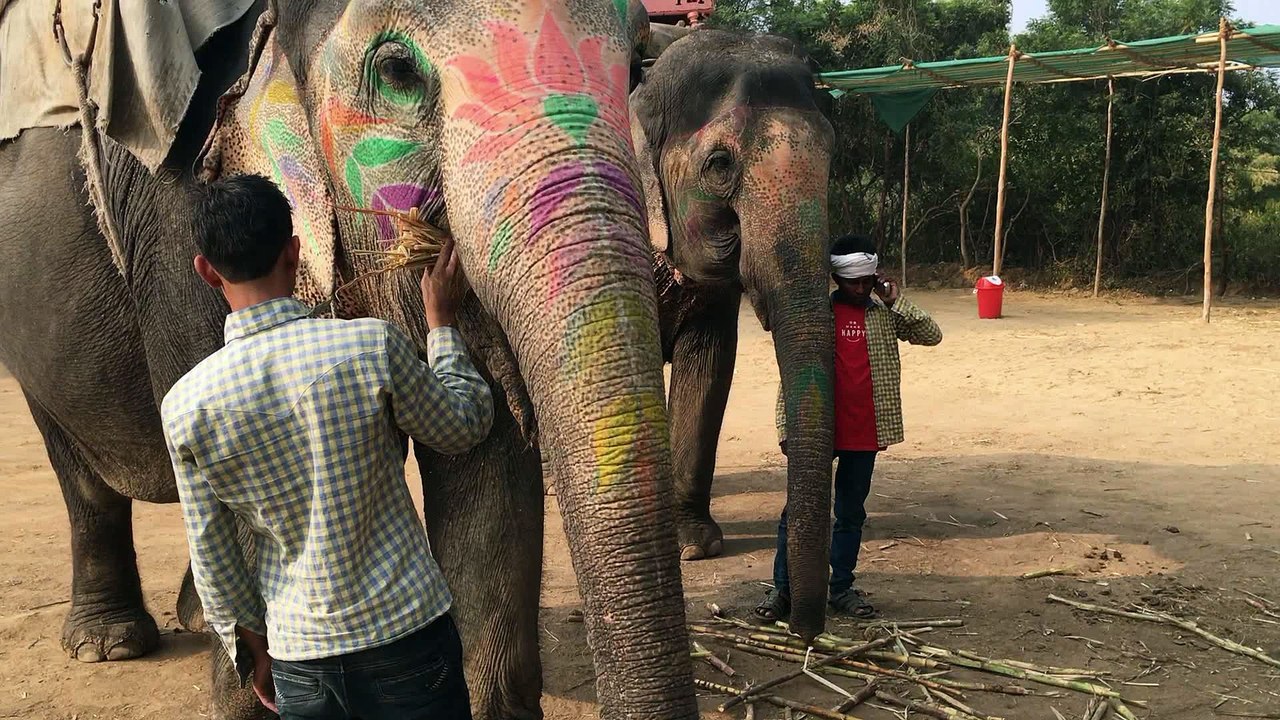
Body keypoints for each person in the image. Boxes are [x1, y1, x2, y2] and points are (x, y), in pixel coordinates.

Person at [161, 174, 493, 720]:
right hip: (406, 636)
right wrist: (443, 327)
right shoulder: (369, 345)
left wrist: (254, 655)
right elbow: (464, 423)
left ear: (206, 270)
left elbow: (214, 562)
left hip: (301, 657)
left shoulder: (185, 407)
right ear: (295, 253)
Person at [758, 233, 942, 621]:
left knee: (850, 513)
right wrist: (784, 426)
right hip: (816, 430)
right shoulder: (817, 315)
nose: (858, 289)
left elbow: (932, 335)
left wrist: (894, 300)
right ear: (836, 280)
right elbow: (793, 374)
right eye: (851, 282)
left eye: (865, 282)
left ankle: (840, 588)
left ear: (874, 278)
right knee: (799, 512)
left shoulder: (883, 315)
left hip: (865, 431)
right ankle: (784, 591)